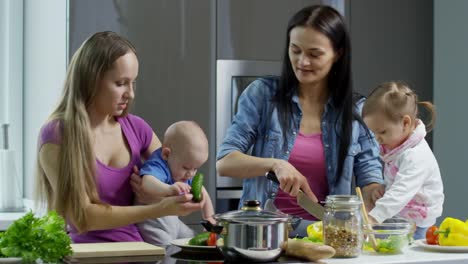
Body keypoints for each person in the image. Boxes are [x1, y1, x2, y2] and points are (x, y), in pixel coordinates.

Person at [216, 5, 384, 236]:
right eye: (295, 50)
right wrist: (275, 164)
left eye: (314, 54)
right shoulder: (262, 95)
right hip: (263, 238)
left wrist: (378, 193)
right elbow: (224, 162)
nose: (302, 61)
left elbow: (369, 178)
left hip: (327, 239)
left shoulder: (356, 110)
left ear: (338, 53)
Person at [35, 31, 202, 243]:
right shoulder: (58, 135)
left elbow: (177, 172)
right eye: (121, 83)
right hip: (84, 255)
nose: (130, 93)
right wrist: (157, 208)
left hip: (139, 254)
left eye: (132, 83)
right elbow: (83, 217)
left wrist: (161, 192)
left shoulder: (136, 128)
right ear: (91, 81)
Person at [362, 81, 444, 240]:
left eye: (382, 132)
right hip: (400, 219)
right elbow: (397, 181)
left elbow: (402, 191)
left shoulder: (415, 155)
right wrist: (385, 188)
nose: (377, 139)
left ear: (405, 123)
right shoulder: (398, 148)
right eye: (373, 133)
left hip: (417, 225)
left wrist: (373, 217)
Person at [136, 120, 215, 245]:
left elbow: (202, 191)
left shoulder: (184, 171)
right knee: (165, 248)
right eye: (186, 168)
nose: (191, 174)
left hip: (174, 221)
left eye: (195, 168)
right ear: (166, 154)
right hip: (152, 221)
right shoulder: (159, 165)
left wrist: (209, 217)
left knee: (193, 239)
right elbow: (147, 182)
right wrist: (169, 189)